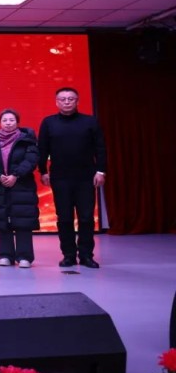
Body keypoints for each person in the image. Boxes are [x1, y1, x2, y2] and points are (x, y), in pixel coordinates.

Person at [38, 87, 107, 269]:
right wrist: (43, 171)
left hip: (86, 177)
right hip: (60, 178)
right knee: (64, 218)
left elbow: (100, 148)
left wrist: (101, 171)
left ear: (77, 101)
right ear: (57, 102)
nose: (67, 102)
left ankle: (86, 255)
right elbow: (42, 149)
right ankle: (68, 255)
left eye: (71, 99)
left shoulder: (90, 121)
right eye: (63, 99)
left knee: (86, 217)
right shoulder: (49, 122)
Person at [0, 109, 40, 268]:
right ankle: (5, 255)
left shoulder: (27, 139)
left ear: (17, 122)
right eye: (5, 120)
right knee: (3, 219)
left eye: (11, 120)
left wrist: (16, 175)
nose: (8, 123)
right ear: (0, 122)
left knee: (23, 220)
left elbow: (31, 160)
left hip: (22, 185)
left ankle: (25, 257)